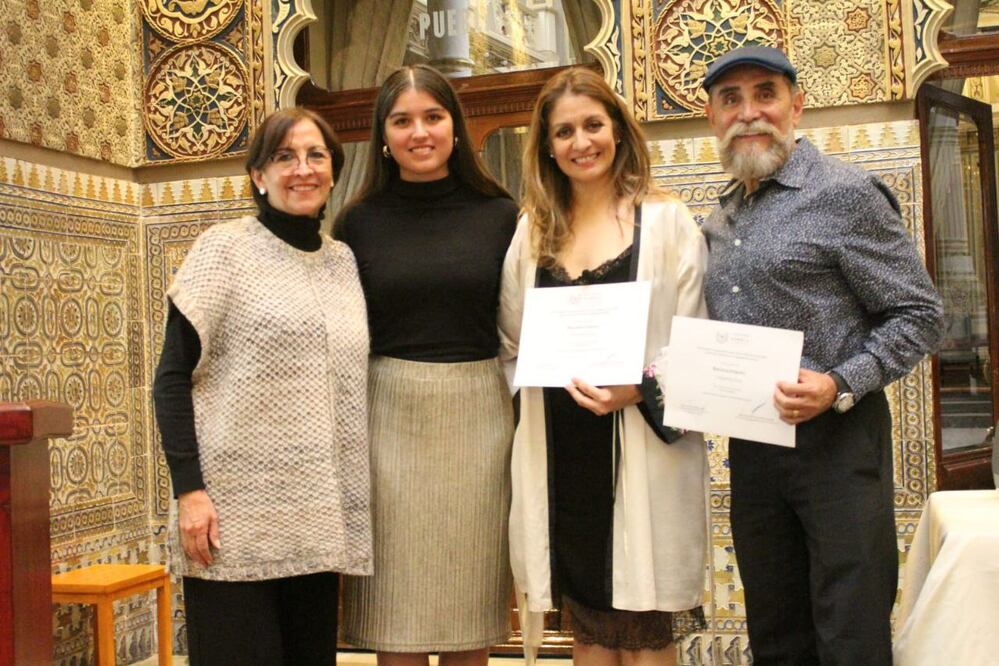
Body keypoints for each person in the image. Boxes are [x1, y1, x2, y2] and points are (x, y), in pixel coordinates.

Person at [700, 46, 944, 665]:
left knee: (849, 628)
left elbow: (919, 314)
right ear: (712, 116)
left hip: (839, 442)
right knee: (776, 630)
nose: (749, 113)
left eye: (765, 94)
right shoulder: (721, 217)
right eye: (731, 99)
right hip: (753, 449)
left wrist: (838, 383)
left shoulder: (847, 194)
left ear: (796, 106)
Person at [498, 67, 709, 666]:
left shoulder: (666, 223)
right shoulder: (532, 233)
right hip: (563, 454)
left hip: (642, 447)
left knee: (645, 633)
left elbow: (697, 341)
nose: (580, 142)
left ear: (618, 129)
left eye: (593, 124)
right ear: (547, 146)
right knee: (588, 634)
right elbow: (511, 342)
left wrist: (637, 388)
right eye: (563, 131)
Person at [153, 107, 370, 665]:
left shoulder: (343, 262)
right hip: (233, 519)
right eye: (284, 157)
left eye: (316, 155)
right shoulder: (222, 249)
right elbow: (171, 379)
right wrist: (190, 492)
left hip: (316, 522)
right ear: (258, 175)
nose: (302, 169)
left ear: (333, 170)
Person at [335, 64, 518, 665]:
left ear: (455, 127)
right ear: (382, 136)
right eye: (402, 120)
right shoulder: (356, 223)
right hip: (386, 419)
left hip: (479, 421)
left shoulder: (499, 214)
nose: (420, 132)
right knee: (398, 615)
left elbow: (520, 324)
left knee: (469, 616)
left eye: (433, 117)